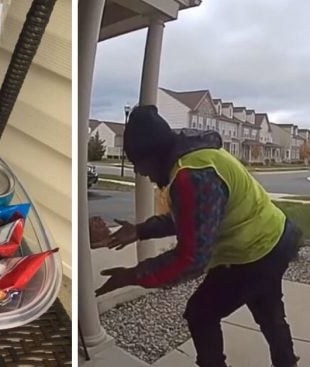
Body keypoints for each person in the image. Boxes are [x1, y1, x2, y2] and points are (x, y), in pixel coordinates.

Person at [92, 105, 301, 367]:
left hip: (253, 251)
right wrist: (141, 230)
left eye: (138, 164)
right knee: (269, 311)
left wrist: (132, 275)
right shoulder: (197, 156)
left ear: (153, 153)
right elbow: (196, 216)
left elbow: (191, 259)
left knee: (201, 314)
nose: (140, 173)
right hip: (274, 236)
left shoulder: (192, 176)